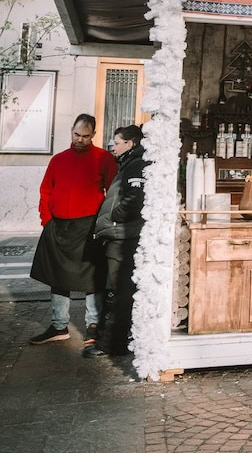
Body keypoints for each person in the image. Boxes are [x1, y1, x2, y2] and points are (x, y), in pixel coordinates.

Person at [29, 114, 118, 346]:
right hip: (58, 225)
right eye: (76, 134)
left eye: (85, 136)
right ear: (71, 131)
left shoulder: (104, 159)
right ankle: (59, 326)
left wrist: (103, 224)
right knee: (57, 277)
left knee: (92, 277)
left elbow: (114, 195)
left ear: (94, 135)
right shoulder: (58, 159)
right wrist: (46, 220)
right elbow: (46, 190)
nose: (80, 140)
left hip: (88, 227)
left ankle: (93, 326)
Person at [87, 125, 146, 358]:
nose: (113, 146)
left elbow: (134, 198)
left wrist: (114, 217)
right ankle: (114, 339)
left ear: (130, 144)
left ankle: (114, 343)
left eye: (117, 142)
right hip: (120, 233)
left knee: (121, 290)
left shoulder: (135, 164)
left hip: (122, 235)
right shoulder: (130, 163)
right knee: (119, 289)